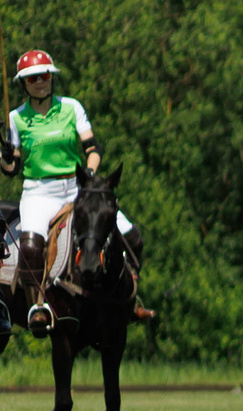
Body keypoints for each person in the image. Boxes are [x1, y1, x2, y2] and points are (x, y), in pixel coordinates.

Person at [1, 50, 139, 332]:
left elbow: (93, 149)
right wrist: (3, 154)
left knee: (132, 237)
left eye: (45, 75)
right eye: (33, 78)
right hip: (38, 192)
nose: (41, 81)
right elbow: (11, 168)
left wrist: (88, 176)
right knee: (29, 247)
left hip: (77, 188)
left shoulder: (71, 107)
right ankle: (37, 308)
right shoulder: (16, 118)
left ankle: (131, 299)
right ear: (24, 84)